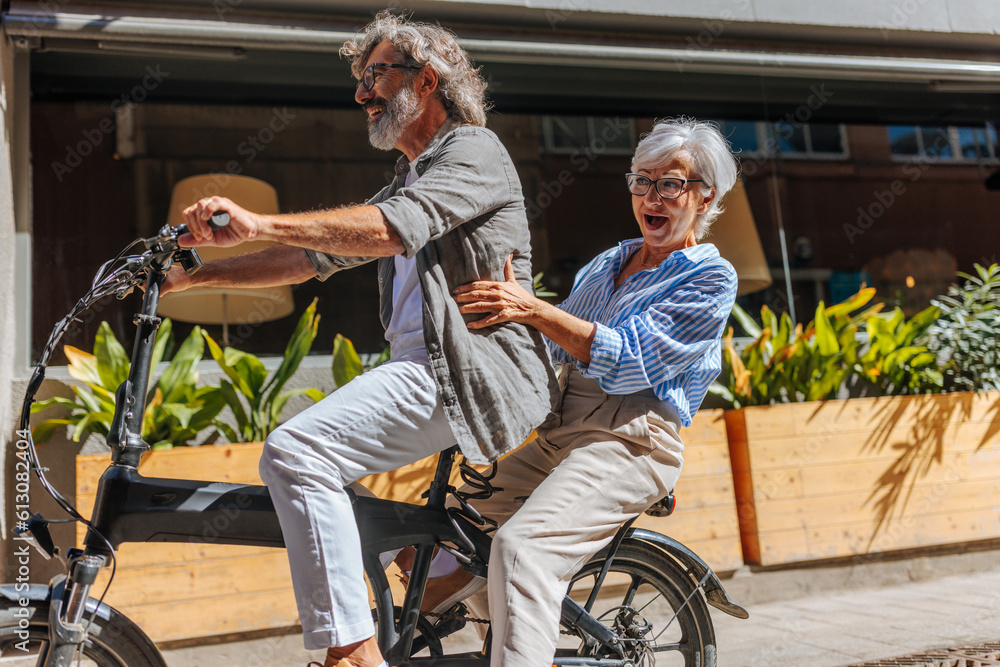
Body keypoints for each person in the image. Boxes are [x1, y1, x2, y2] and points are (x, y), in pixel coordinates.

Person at [164, 12, 559, 667]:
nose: (361, 93)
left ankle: (350, 651)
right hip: (424, 367)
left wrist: (260, 220)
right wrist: (195, 276)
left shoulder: (474, 150)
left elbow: (390, 230)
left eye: (375, 74)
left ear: (427, 80)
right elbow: (312, 261)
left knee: (296, 452)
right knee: (321, 472)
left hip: (463, 371)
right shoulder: (412, 175)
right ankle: (436, 570)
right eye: (362, 78)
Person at [449, 117, 740, 666]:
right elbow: (556, 347)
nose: (652, 196)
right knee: (445, 527)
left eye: (670, 184)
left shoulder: (711, 278)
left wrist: (531, 307)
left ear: (706, 197)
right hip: (559, 426)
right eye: (642, 180)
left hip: (631, 441)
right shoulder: (610, 261)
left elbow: (631, 359)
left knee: (521, 550)